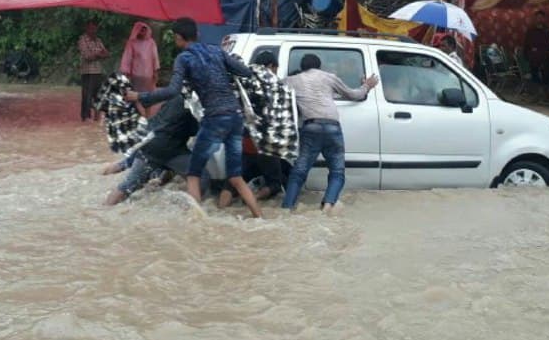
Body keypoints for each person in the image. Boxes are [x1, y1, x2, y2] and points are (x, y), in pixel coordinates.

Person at [125, 17, 263, 217]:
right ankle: (259, 217)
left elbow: (172, 91)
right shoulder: (217, 51)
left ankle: (197, 222)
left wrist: (140, 96)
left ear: (178, 38)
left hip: (215, 118)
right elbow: (246, 72)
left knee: (193, 172)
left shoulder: (184, 58)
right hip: (235, 117)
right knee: (235, 176)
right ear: (197, 34)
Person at [282, 53, 379, 213]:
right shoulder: (329, 78)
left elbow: (276, 92)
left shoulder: (291, 81)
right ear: (319, 66)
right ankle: (327, 206)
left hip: (310, 127)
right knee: (337, 171)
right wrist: (366, 86)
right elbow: (354, 95)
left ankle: (287, 208)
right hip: (332, 127)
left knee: (299, 171)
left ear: (302, 67)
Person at [104, 92, 200, 205]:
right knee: (196, 174)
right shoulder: (195, 101)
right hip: (165, 147)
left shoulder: (176, 95)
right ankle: (197, 215)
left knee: (128, 183)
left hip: (153, 142)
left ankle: (104, 206)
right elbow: (197, 129)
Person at [217, 51, 286, 208]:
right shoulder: (274, 85)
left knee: (232, 182)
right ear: (270, 66)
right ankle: (251, 199)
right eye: (275, 68)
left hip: (244, 140)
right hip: (265, 141)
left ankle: (219, 212)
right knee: (275, 183)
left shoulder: (243, 83)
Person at [79, 20, 109, 122]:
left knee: (98, 95)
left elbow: (106, 54)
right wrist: (98, 54)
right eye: (90, 28)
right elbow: (87, 56)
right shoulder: (82, 39)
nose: (93, 30)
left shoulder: (98, 40)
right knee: (87, 95)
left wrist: (96, 55)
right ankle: (86, 116)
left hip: (98, 71)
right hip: (87, 71)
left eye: (94, 28)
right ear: (86, 28)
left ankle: (97, 116)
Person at [120, 22, 160, 94]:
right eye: (141, 30)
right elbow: (127, 58)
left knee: (147, 95)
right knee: (135, 94)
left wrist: (156, 71)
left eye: (144, 30)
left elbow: (155, 57)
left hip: (148, 74)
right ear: (137, 30)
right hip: (136, 74)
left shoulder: (151, 42)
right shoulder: (132, 42)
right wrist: (126, 72)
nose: (143, 32)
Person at [523, 10, 549, 92]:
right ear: (535, 18)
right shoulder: (531, 30)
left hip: (545, 54)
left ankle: (546, 89)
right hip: (534, 55)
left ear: (544, 19)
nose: (540, 19)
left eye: (541, 17)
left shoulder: (547, 30)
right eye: (538, 17)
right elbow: (527, 43)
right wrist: (528, 54)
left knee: (548, 69)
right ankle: (537, 90)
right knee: (534, 70)